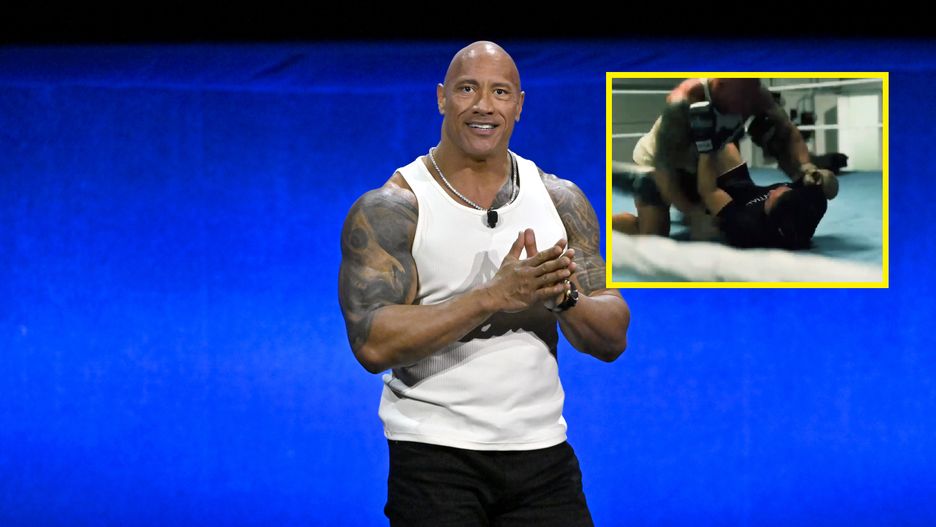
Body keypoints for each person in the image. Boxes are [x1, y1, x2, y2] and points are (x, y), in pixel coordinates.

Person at [338, 41, 630, 526]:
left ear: (519, 104)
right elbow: (372, 344)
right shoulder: (393, 207)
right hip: (433, 460)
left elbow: (613, 337)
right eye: (467, 89)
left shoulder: (561, 201)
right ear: (441, 98)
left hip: (543, 458)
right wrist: (492, 297)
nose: (483, 106)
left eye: (500, 92)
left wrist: (564, 296)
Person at [612, 77, 838, 242]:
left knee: (756, 135)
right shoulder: (683, 103)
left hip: (711, 156)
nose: (748, 105)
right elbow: (666, 173)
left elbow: (787, 131)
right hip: (661, 164)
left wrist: (807, 168)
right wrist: (693, 213)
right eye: (743, 97)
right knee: (654, 237)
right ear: (719, 86)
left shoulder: (753, 94)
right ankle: (627, 191)